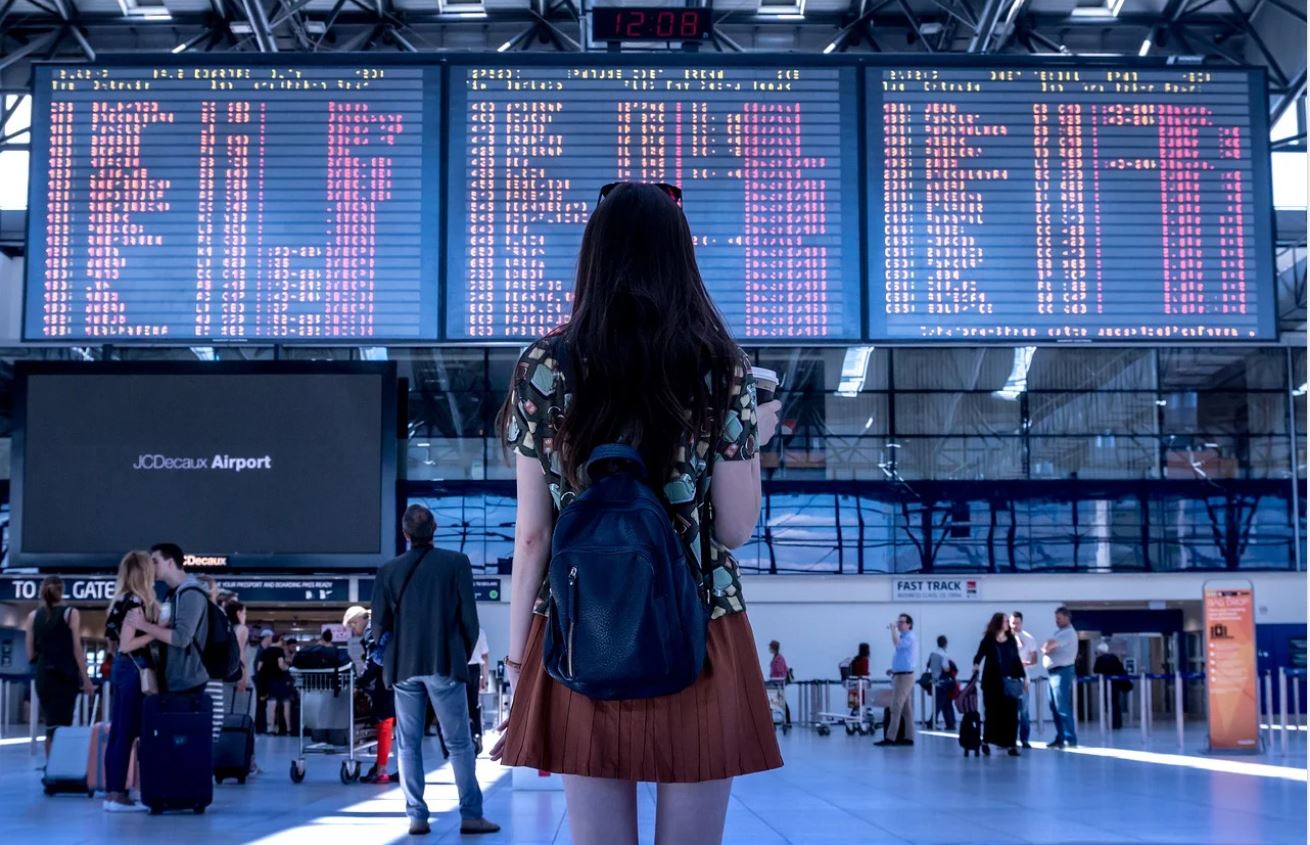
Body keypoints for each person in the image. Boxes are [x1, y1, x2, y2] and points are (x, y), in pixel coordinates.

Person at [492, 182, 784, 845]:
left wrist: (517, 661)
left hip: (579, 624)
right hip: (701, 626)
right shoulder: (721, 368)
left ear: (593, 257)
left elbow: (534, 533)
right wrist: (749, 441)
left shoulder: (545, 365)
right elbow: (735, 529)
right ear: (680, 259)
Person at [374, 504, 498, 836]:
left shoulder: (388, 571)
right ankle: (471, 815)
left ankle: (416, 817)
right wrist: (460, 653)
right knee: (459, 742)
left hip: (403, 668)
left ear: (405, 533)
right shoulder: (456, 564)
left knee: (408, 743)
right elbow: (470, 621)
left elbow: (378, 626)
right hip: (444, 662)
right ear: (435, 529)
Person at [101, 550, 158, 811]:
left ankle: (113, 790)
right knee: (126, 733)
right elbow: (126, 644)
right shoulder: (136, 602)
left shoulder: (117, 602)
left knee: (118, 733)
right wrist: (156, 633)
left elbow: (115, 644)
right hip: (135, 669)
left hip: (121, 670)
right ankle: (117, 794)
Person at [24, 575, 95, 757]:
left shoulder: (33, 616)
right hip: (65, 675)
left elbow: (30, 654)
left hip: (43, 676)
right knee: (63, 723)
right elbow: (77, 650)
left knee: (51, 724)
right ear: (62, 591)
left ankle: (51, 769)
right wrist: (86, 680)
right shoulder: (70, 613)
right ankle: (59, 767)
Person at [126, 544, 209, 696]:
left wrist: (143, 625)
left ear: (170, 563)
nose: (151, 566)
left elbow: (182, 638)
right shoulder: (173, 595)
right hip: (174, 681)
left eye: (155, 561)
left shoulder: (191, 594)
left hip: (187, 684)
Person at [344, 605, 396, 784]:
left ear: (357, 620)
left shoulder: (370, 630)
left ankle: (381, 770)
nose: (353, 631)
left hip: (386, 681)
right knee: (392, 726)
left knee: (384, 724)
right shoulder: (382, 624)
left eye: (352, 626)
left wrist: (360, 682)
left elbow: (374, 660)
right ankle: (385, 767)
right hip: (398, 677)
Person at [971, 613, 1027, 757]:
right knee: (991, 714)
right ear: (998, 623)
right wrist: (976, 665)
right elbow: (979, 655)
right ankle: (986, 741)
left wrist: (1023, 677)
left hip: (1009, 681)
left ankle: (1011, 745)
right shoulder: (989, 640)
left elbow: (1016, 659)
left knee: (1011, 714)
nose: (1008, 623)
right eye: (1005, 621)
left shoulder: (1011, 640)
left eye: (1008, 621)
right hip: (991, 683)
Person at [876, 613, 917, 747]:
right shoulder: (905, 637)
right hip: (900, 674)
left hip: (904, 677)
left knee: (895, 707)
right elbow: (904, 659)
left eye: (902, 622)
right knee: (906, 710)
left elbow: (897, 645)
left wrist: (893, 631)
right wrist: (893, 669)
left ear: (909, 624)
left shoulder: (909, 637)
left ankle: (890, 738)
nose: (899, 624)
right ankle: (909, 737)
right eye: (898, 622)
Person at [1042, 606, 1079, 749]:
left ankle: (1071, 739)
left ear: (1067, 618)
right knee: (1054, 707)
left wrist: (1047, 647)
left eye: (1059, 618)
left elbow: (1048, 646)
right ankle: (1060, 738)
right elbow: (1046, 645)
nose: (1056, 621)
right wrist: (1047, 646)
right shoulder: (1060, 632)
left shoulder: (1067, 633)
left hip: (1062, 672)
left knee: (1062, 706)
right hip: (1053, 673)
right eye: (1056, 618)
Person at [1010, 611, 1039, 749]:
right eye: (1012, 623)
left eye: (1017, 623)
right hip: (1008, 680)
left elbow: (1034, 660)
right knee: (1009, 711)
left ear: (1022, 622)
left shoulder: (1029, 638)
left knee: (1024, 711)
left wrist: (1024, 664)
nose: (1015, 625)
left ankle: (1024, 739)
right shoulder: (1004, 639)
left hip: (1023, 679)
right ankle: (1008, 739)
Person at [257, 634, 293, 735]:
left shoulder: (265, 651)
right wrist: (288, 668)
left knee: (271, 705)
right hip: (280, 680)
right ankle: (288, 729)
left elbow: (259, 667)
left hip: (269, 681)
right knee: (286, 703)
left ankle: (270, 728)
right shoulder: (279, 651)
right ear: (280, 641)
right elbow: (281, 665)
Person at [1094, 641, 1130, 730]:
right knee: (1116, 703)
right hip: (1116, 684)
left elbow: (1095, 670)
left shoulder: (1100, 659)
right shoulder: (1114, 657)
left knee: (1107, 703)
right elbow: (1120, 668)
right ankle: (1117, 723)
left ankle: (1109, 722)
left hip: (1105, 685)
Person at [466, 627, 490, 754]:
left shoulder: (454, 627)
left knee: (460, 707)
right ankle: (477, 735)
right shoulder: (479, 631)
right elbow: (485, 656)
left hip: (458, 669)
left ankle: (467, 739)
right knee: (474, 705)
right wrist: (484, 678)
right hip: (474, 670)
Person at [926, 636, 956, 731]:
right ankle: (932, 722)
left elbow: (928, 666)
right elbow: (946, 668)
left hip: (934, 681)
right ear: (945, 643)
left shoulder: (933, 654)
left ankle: (950, 723)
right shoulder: (944, 655)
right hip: (942, 682)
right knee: (941, 704)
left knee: (944, 702)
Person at [767, 641, 791, 727]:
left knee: (780, 701)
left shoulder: (779, 659)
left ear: (774, 648)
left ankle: (787, 720)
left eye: (770, 647)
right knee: (776, 701)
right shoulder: (775, 658)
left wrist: (776, 680)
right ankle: (773, 719)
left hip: (778, 683)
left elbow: (781, 672)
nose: (769, 649)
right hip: (775, 683)